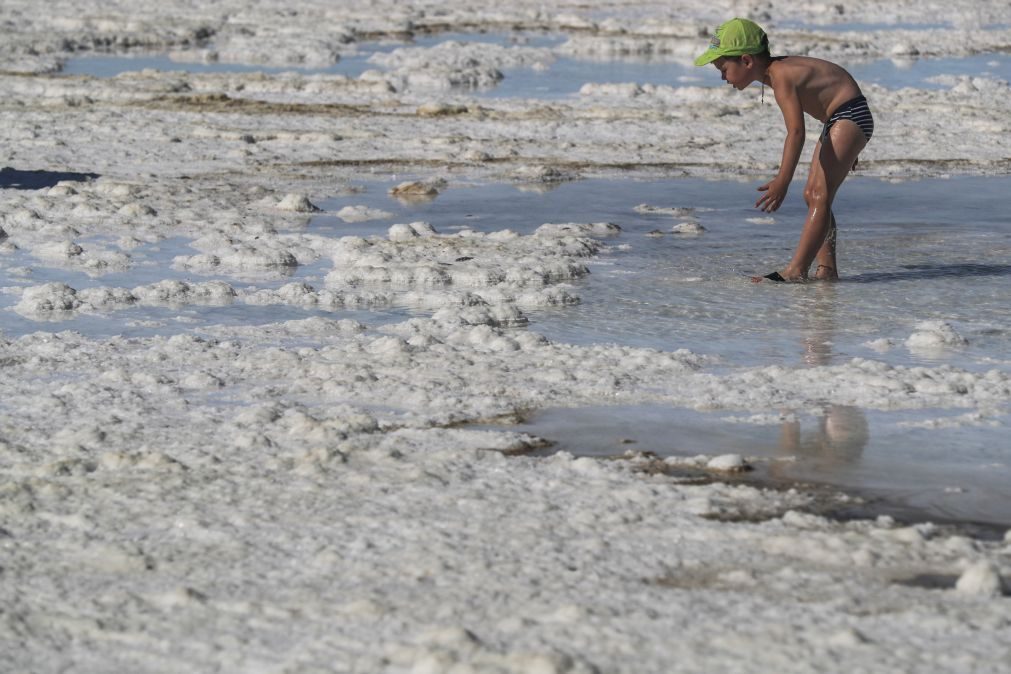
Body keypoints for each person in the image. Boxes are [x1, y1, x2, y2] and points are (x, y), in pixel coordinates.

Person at [695, 18, 874, 282]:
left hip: (849, 115)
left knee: (817, 194)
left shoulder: (781, 76)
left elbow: (796, 132)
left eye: (723, 68)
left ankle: (796, 271)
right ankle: (826, 270)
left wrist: (783, 180)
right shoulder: (775, 72)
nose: (722, 77)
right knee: (813, 195)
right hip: (840, 119)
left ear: (746, 61)